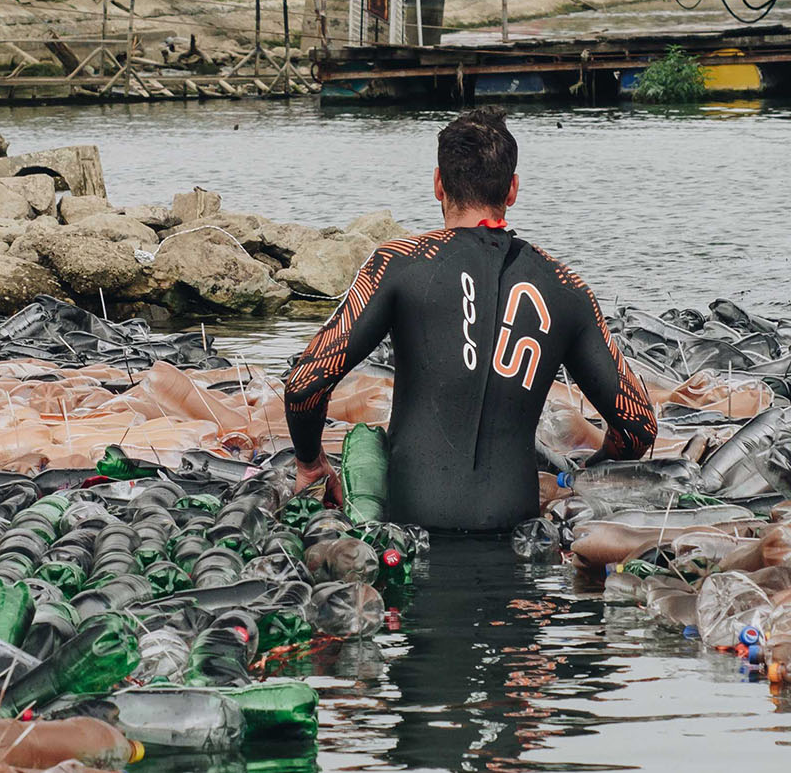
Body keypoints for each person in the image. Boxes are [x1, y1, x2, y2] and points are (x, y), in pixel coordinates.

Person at [282, 106, 657, 531]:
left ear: (438, 184)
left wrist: (311, 463)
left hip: (413, 530)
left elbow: (304, 385)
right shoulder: (566, 286)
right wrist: (586, 472)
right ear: (512, 189)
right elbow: (638, 427)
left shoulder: (398, 263)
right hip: (515, 532)